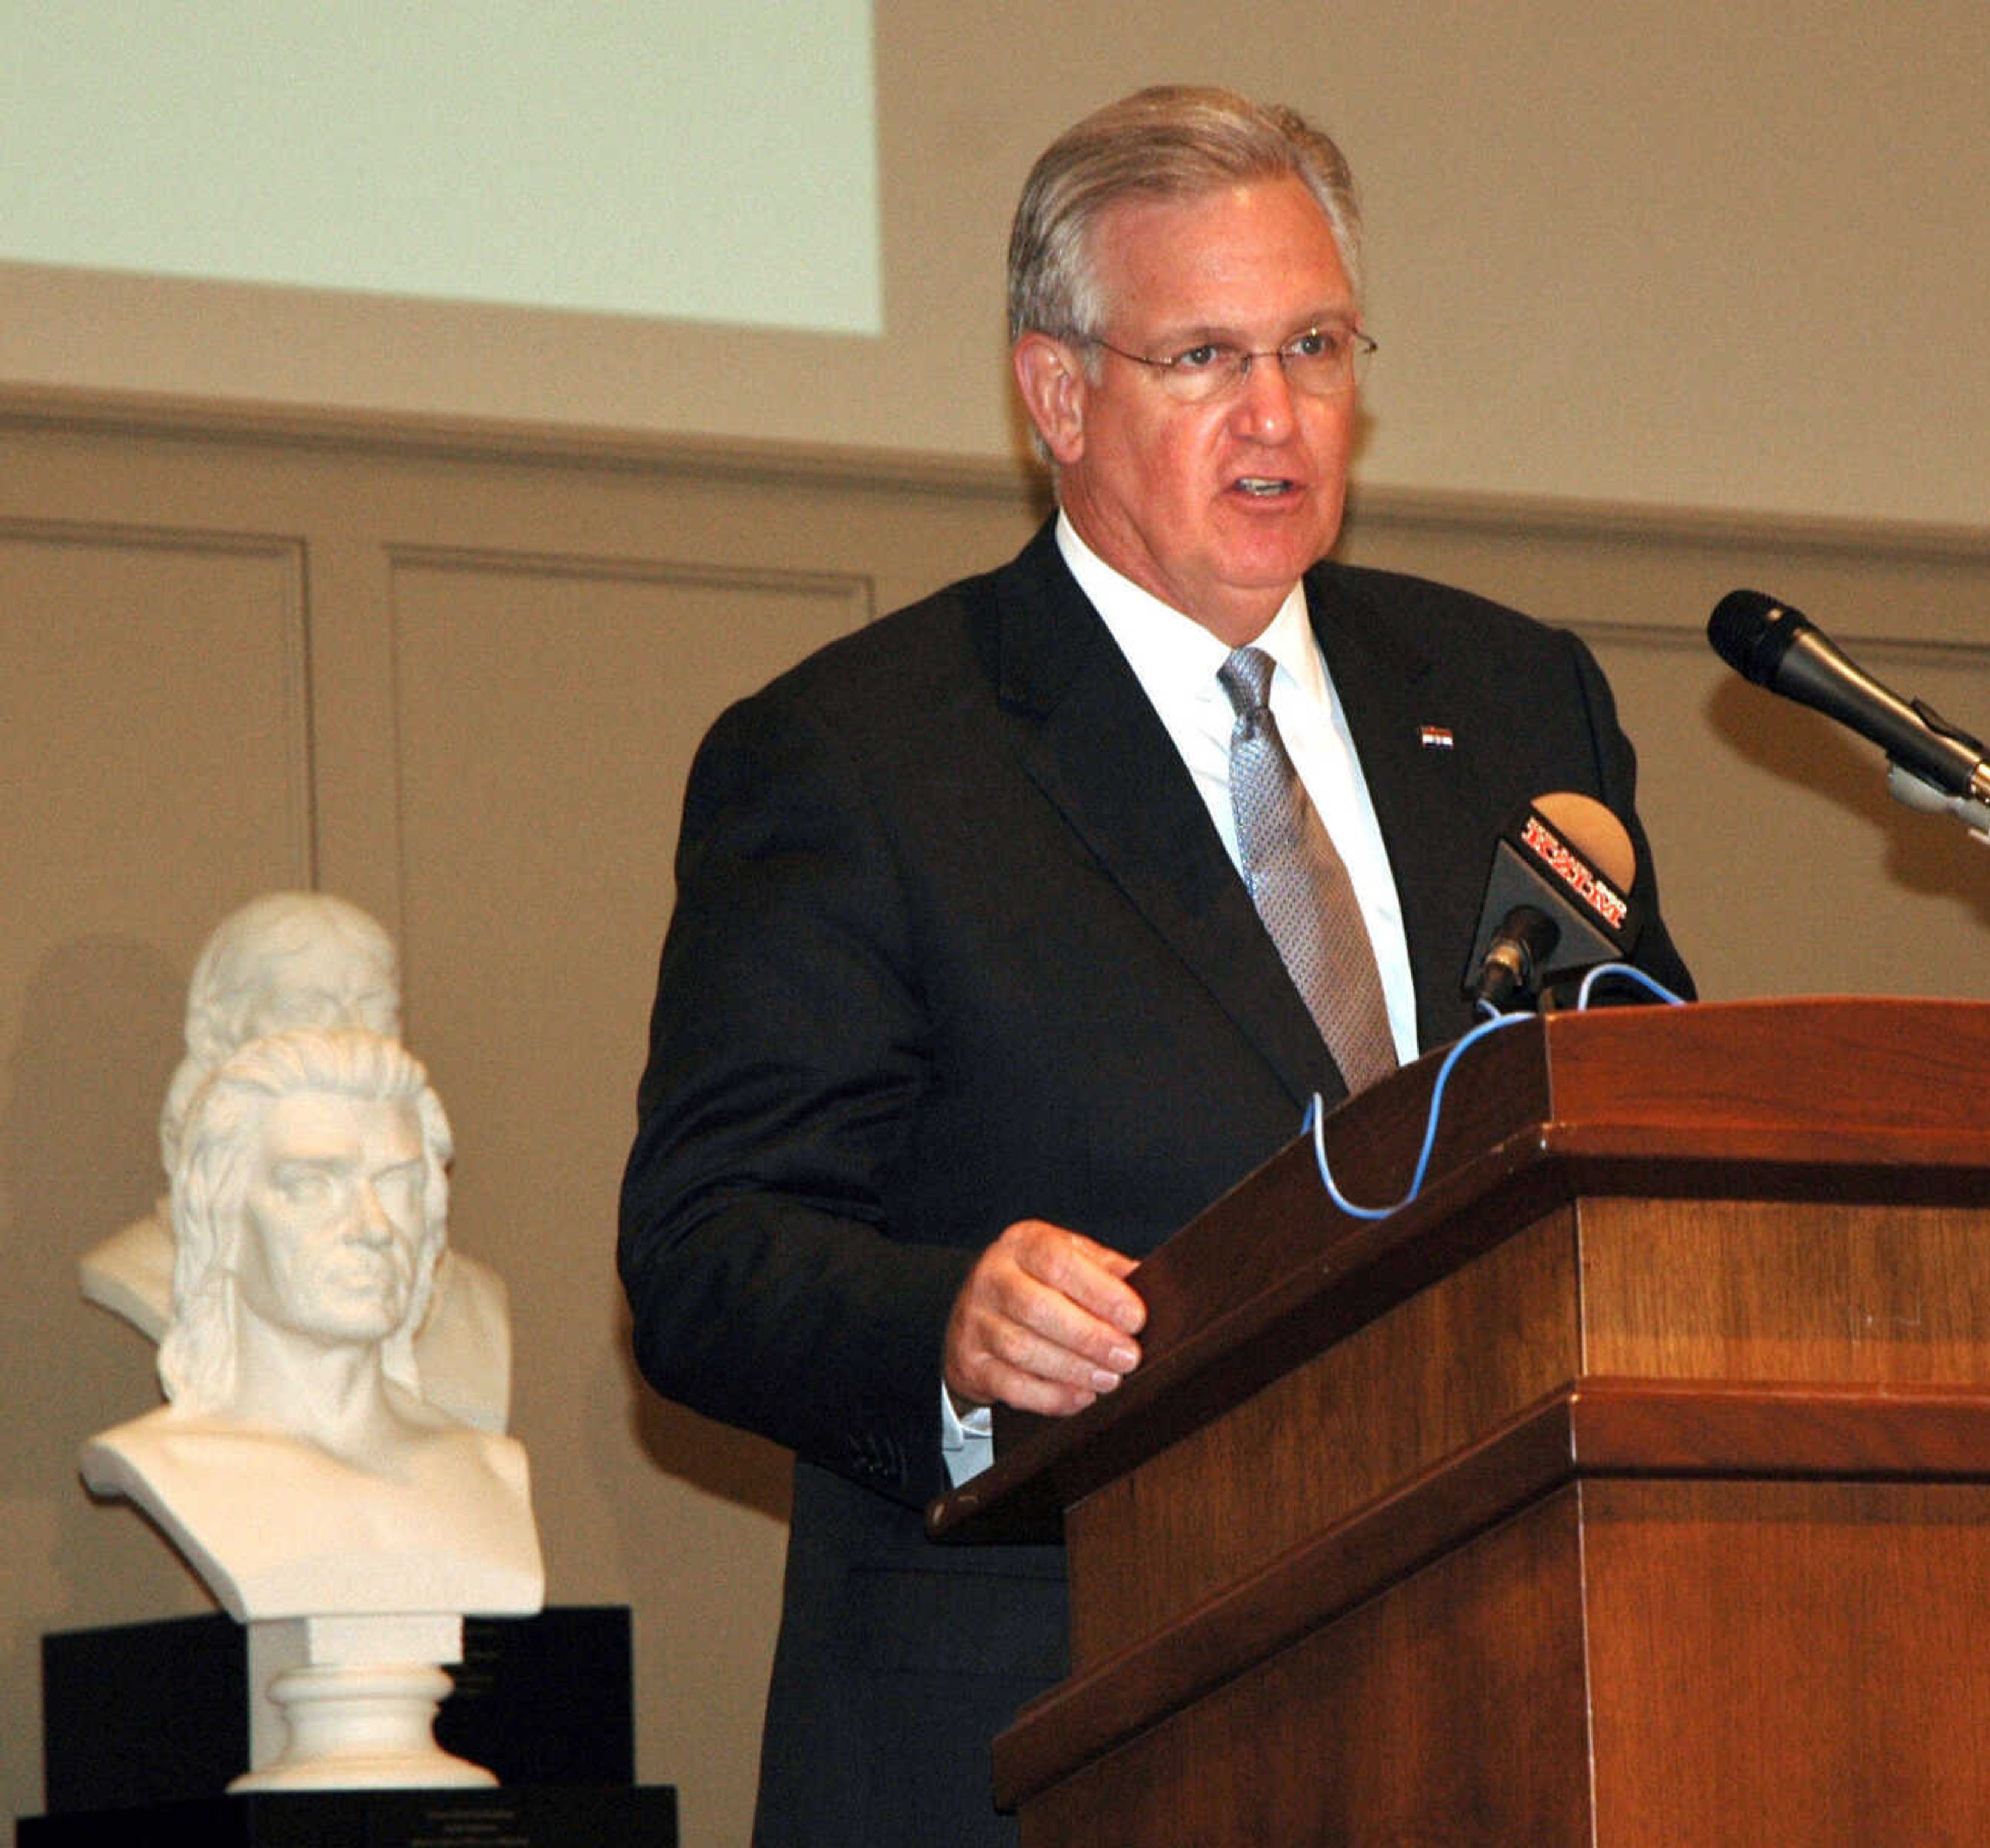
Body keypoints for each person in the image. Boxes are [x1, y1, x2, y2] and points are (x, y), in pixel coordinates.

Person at [619, 85, 1693, 1847]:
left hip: (1495, 1696)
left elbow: (1634, 1088)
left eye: (1314, 346)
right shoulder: (864, 755)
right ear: (1058, 395)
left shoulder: (1511, 697)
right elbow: (703, 1252)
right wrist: (950, 1326)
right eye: (1202, 358)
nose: (1275, 416)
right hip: (1052, 1725)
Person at [82, 1027, 542, 1624]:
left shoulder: (488, 1471)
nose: (372, 1226)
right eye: (312, 1184)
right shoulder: (171, 1463)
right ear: (222, 1219)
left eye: (399, 1184)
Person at [79, 892, 514, 1433]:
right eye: (306, 1009)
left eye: (374, 1008)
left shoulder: (472, 1300)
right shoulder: (144, 1268)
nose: (347, 1035)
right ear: (216, 1031)